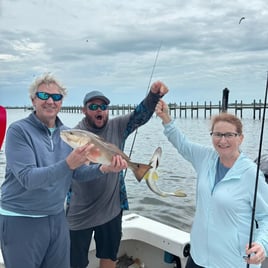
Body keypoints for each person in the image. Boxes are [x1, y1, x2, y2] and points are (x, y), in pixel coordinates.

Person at [0, 73, 127, 268]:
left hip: (57, 218)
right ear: (33, 99)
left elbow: (76, 173)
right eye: (43, 96)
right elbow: (28, 178)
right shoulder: (19, 131)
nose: (50, 101)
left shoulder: (67, 134)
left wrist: (103, 168)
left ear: (61, 102)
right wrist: (67, 163)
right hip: (22, 219)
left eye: (56, 97)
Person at [155, 99, 268, 268]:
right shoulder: (205, 157)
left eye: (229, 135)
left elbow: (265, 216)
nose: (223, 140)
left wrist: (262, 244)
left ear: (241, 138)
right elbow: (182, 144)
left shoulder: (251, 174)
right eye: (218, 134)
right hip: (198, 256)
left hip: (232, 262)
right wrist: (166, 118)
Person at [67, 81, 168, 268]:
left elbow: (141, 115)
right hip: (80, 213)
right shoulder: (76, 136)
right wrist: (104, 168)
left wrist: (154, 95)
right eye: (94, 106)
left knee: (109, 256)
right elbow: (76, 173)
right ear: (84, 110)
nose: (100, 110)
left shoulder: (117, 126)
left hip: (111, 209)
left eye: (103, 106)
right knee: (75, 263)